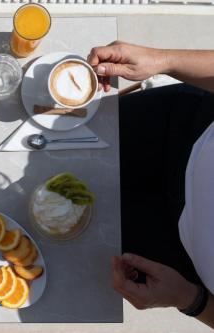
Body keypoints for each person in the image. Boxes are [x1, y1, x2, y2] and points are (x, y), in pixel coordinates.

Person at [87, 41, 214, 327]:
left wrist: (191, 300)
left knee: (63, 240)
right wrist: (162, 59)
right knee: (65, 144)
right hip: (183, 128)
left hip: (174, 253)